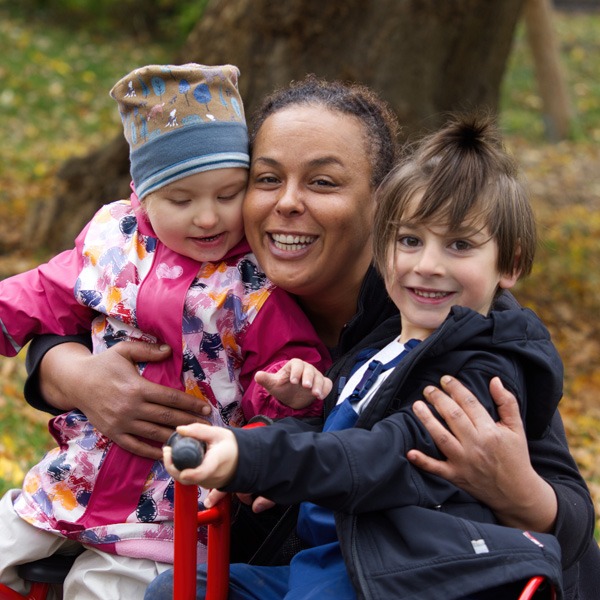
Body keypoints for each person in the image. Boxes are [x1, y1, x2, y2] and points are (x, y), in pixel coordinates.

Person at [23, 76, 597, 598]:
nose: (288, 202)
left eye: (322, 182)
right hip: (151, 519)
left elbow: (569, 519)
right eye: (267, 179)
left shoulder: (447, 324)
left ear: (382, 204)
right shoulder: (225, 275)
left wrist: (523, 493)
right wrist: (72, 374)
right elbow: (65, 315)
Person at [145, 113, 567, 600]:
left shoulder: (485, 368)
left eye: (459, 245)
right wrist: (254, 443)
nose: (428, 265)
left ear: (510, 263)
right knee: (180, 589)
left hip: (403, 576)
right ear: (384, 244)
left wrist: (256, 457)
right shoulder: (380, 346)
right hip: (328, 561)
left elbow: (386, 454)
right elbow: (333, 429)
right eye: (410, 240)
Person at [0, 63, 330, 599]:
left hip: (169, 506)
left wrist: (290, 388)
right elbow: (43, 292)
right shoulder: (112, 239)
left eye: (228, 194)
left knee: (104, 590)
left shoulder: (252, 282)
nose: (208, 217)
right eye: (182, 200)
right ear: (141, 195)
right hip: (77, 474)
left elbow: (283, 361)